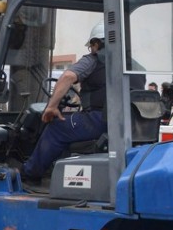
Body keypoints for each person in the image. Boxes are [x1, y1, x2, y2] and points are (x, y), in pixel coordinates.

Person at [21, 30, 108, 182]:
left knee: (57, 127)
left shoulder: (94, 60)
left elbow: (68, 76)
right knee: (69, 123)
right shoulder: (130, 63)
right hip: (119, 123)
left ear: (97, 43)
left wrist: (51, 106)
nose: (91, 50)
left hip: (99, 120)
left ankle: (30, 174)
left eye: (92, 46)